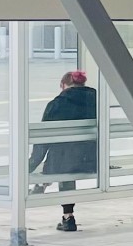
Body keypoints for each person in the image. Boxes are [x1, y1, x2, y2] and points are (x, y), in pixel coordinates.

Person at [31, 68, 97, 232]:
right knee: (69, 154)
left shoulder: (57, 104)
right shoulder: (96, 99)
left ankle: (67, 215)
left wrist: (31, 164)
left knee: (62, 160)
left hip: (65, 163)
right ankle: (43, 185)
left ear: (63, 85)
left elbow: (43, 139)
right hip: (92, 160)